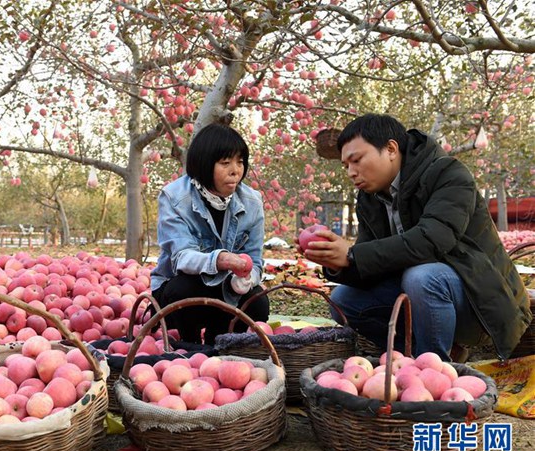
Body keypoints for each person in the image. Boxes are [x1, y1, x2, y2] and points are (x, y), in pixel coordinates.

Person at [303, 114, 531, 361]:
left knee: (422, 277)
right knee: (343, 300)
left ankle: (433, 370)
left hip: (480, 298)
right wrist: (339, 263)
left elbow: (432, 241)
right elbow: (373, 260)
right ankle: (415, 358)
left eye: (356, 160)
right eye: (345, 165)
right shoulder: (370, 199)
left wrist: (352, 254)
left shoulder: (448, 174)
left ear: (391, 149)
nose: (350, 172)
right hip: (421, 294)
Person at [150, 123, 269, 344]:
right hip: (182, 288)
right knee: (182, 289)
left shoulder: (252, 201)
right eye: (225, 163)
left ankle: (222, 345)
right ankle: (189, 346)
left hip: (227, 289)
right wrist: (221, 260)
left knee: (258, 303)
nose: (236, 170)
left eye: (240, 162)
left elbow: (255, 258)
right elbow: (181, 257)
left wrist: (246, 277)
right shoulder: (175, 198)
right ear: (205, 164)